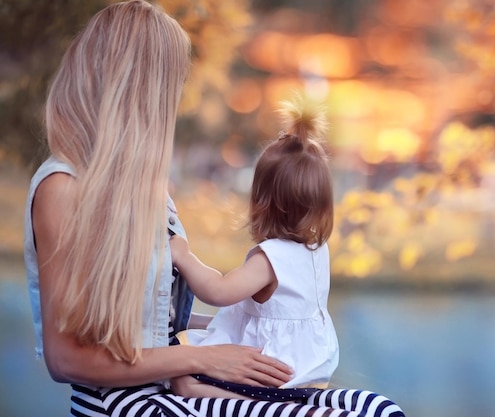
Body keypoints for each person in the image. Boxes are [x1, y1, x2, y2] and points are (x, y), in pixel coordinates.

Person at [23, 1, 405, 415]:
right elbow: (67, 361)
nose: (174, 100)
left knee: (377, 409)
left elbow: (160, 328)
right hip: (125, 401)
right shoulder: (62, 187)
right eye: (171, 83)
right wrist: (206, 358)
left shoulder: (150, 194)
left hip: (173, 381)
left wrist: (259, 333)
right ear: (134, 87)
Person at [168, 96, 339, 400]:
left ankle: (247, 404)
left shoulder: (270, 259)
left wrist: (183, 255)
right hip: (307, 372)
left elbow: (219, 291)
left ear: (261, 202)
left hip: (272, 373)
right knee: (197, 339)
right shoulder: (316, 251)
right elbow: (253, 318)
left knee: (180, 371)